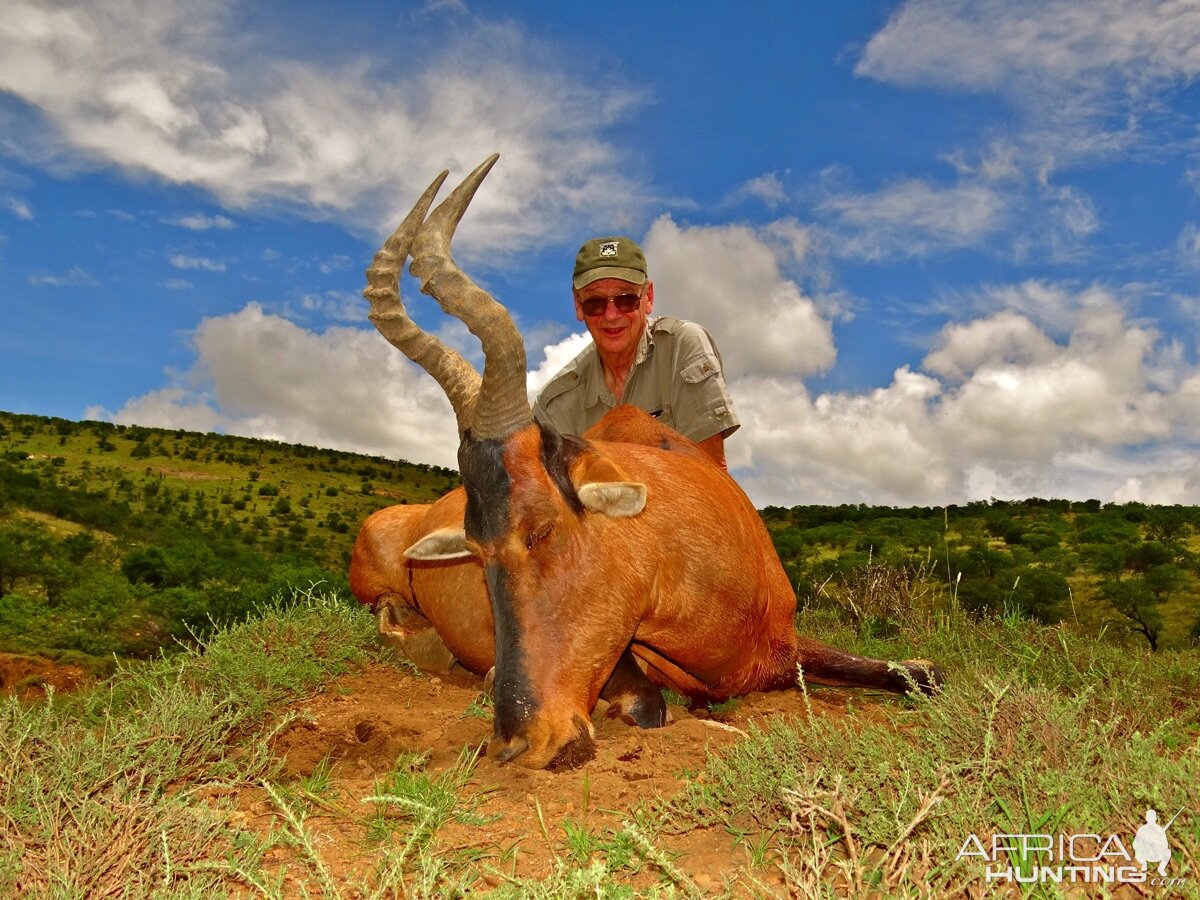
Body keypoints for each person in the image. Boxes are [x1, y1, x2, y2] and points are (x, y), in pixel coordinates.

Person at [533, 236, 739, 469]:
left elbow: (711, 475)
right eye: (595, 303)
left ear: (648, 297)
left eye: (626, 299)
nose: (611, 315)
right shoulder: (554, 405)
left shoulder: (683, 347)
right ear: (578, 306)